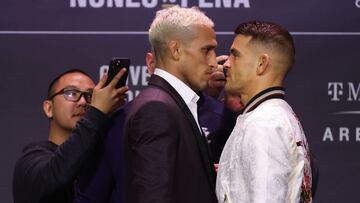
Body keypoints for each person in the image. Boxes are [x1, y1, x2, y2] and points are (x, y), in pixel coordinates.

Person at [73, 50, 238, 202]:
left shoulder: (224, 118)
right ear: (151, 63)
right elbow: (93, 194)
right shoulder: (123, 118)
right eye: (205, 50)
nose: (211, 61)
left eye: (209, 51)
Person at [123, 6, 219, 203]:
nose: (214, 63)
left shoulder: (170, 102)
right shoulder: (157, 108)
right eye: (206, 50)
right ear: (176, 50)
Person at [216, 21, 313, 203]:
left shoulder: (264, 124)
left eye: (235, 55)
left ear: (262, 63)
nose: (226, 64)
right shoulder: (275, 115)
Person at [12, 68, 128, 203]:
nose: (84, 102)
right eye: (71, 93)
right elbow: (56, 174)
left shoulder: (100, 164)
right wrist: (96, 113)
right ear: (49, 108)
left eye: (91, 96)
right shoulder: (30, 162)